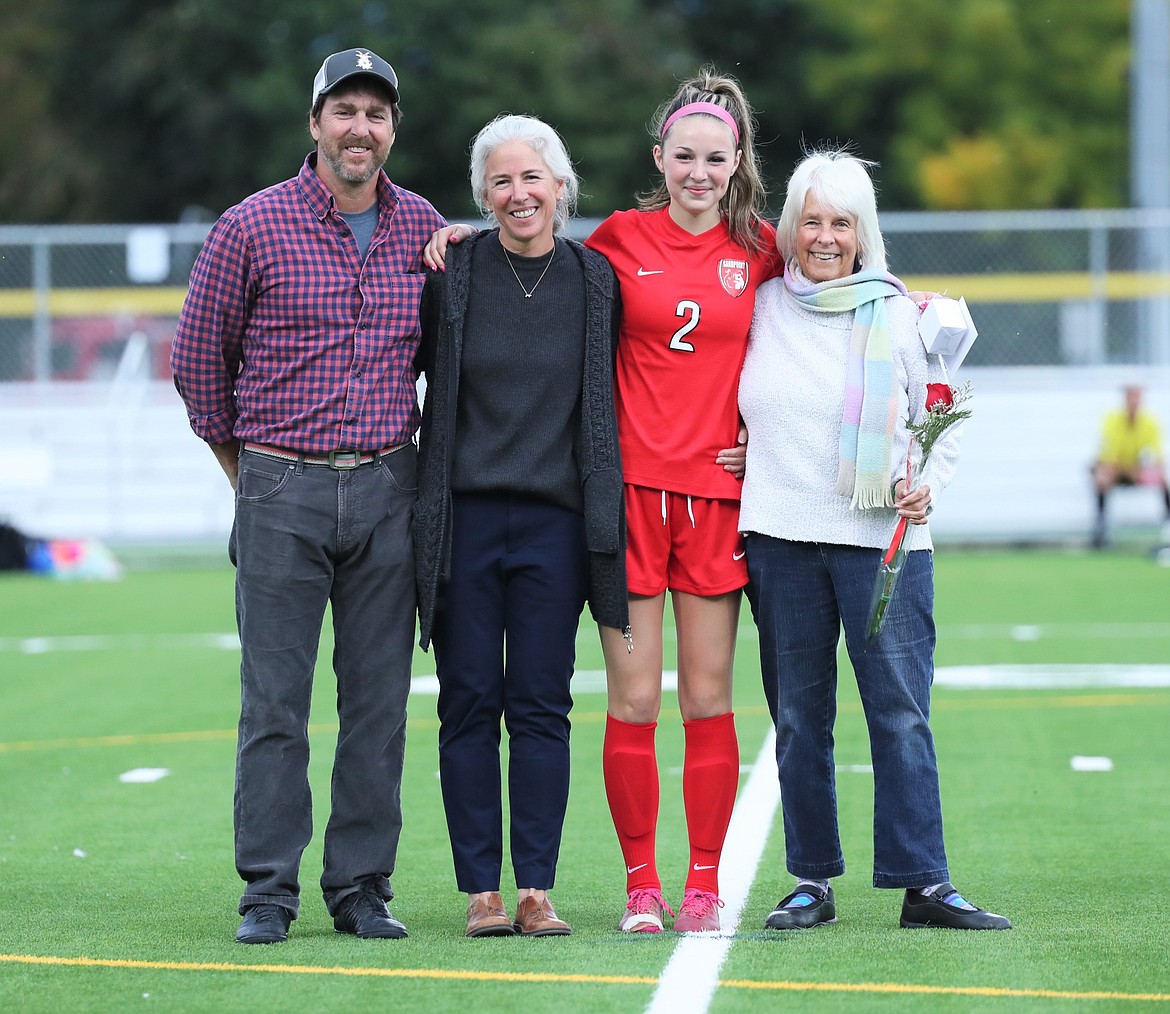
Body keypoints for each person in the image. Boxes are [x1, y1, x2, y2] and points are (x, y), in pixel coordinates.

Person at [423, 68, 780, 935]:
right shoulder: (616, 241)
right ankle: (640, 885)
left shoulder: (765, 248)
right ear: (659, 157)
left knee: (707, 696)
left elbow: (830, 294)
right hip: (621, 502)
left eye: (715, 158)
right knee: (632, 700)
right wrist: (452, 233)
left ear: (737, 164)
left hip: (716, 501)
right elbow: (519, 241)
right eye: (684, 155)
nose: (699, 172)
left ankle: (702, 882)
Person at [170, 47, 445, 945]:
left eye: (376, 113)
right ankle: (268, 891)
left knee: (377, 704)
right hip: (279, 484)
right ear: (315, 123)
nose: (359, 128)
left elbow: (452, 353)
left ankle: (362, 887)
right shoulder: (250, 226)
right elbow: (196, 361)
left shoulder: (425, 229)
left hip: (386, 485)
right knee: (274, 704)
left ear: (392, 129)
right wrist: (243, 472)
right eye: (344, 111)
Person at [738, 148, 1010, 932]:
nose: (825, 237)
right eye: (812, 220)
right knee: (799, 716)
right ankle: (810, 883)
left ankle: (924, 883)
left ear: (864, 231)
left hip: (885, 540)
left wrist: (932, 481)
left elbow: (947, 413)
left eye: (841, 222)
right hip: (781, 537)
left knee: (898, 713)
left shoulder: (906, 311)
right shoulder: (760, 309)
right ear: (791, 226)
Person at [414, 114, 627, 939]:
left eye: (531, 178)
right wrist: (441, 242)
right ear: (482, 195)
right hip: (464, 521)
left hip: (555, 527)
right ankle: (481, 892)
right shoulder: (453, 273)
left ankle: (536, 888)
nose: (518, 193)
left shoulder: (595, 279)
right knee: (468, 703)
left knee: (541, 705)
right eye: (500, 181)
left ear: (561, 186)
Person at [1090, 383, 1170, 548]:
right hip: (1115, 468)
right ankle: (1101, 529)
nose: (1135, 401)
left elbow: (1157, 454)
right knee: (1103, 478)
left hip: (1136, 469)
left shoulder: (1149, 421)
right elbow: (1109, 457)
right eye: (1131, 397)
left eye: (1138, 397)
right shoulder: (1112, 419)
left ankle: (1167, 524)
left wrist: (1154, 471)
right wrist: (1131, 470)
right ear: (1125, 399)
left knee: (1163, 479)